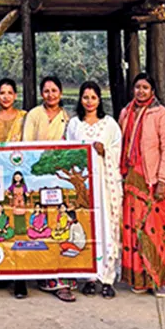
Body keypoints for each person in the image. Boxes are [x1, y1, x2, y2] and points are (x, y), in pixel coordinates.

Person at [118, 72, 165, 296]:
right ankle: (139, 279)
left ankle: (159, 279)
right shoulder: (126, 112)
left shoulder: (161, 114)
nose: (140, 91)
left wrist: (163, 180)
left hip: (152, 180)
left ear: (152, 91)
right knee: (133, 230)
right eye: (137, 87)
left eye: (145, 87)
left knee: (155, 231)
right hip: (131, 179)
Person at [21, 76, 76, 301]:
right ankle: (45, 275)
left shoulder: (68, 118)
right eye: (46, 91)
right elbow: (26, 145)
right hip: (39, 175)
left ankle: (63, 277)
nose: (50, 95)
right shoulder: (34, 115)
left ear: (60, 93)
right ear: (41, 93)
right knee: (42, 220)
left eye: (54, 90)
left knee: (60, 223)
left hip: (60, 177)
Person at [65, 81, 121, 298]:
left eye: (93, 97)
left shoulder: (109, 124)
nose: (89, 102)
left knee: (106, 226)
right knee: (88, 225)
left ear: (99, 100)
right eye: (85, 97)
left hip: (105, 185)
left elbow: (118, 150)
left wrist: (104, 150)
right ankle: (89, 277)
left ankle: (107, 278)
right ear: (80, 99)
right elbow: (68, 151)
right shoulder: (74, 124)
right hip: (85, 187)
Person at [0, 79, 26, 144]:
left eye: (10, 93)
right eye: (2, 93)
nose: (6, 97)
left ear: (15, 96)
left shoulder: (24, 116)